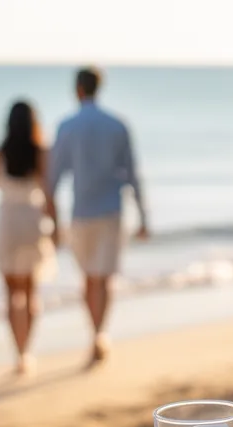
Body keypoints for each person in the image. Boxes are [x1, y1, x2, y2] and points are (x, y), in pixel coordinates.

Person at [49, 66, 150, 367]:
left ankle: (95, 334)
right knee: (104, 279)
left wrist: (51, 221)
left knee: (88, 279)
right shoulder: (117, 125)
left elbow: (52, 178)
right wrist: (144, 216)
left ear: (78, 89)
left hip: (82, 212)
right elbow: (133, 175)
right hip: (111, 211)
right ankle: (100, 334)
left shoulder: (67, 125)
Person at [0, 100, 59, 376]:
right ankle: (29, 349)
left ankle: (19, 353)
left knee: (11, 294)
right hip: (32, 222)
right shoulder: (40, 153)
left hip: (8, 223)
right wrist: (56, 225)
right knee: (31, 291)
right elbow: (48, 194)